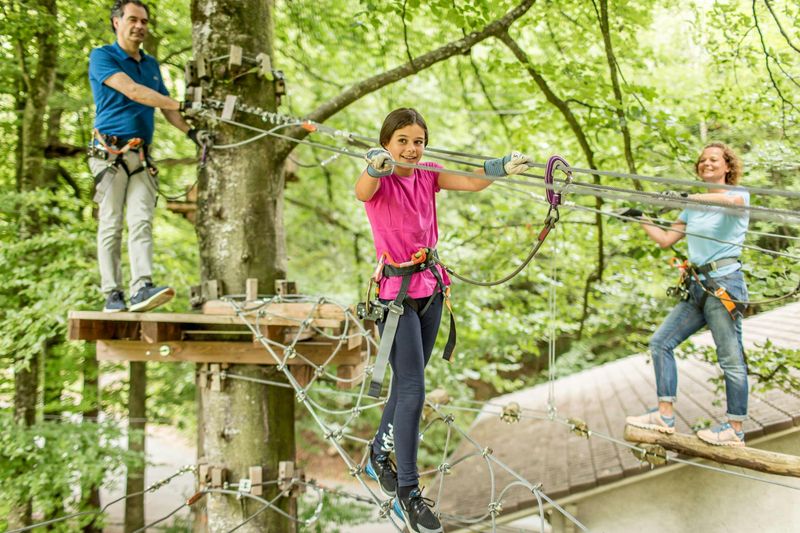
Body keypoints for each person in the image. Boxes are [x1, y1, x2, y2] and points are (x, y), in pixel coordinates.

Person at [355, 108, 531, 533]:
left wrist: (499, 168)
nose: (412, 149)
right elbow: (363, 191)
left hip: (431, 289)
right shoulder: (379, 176)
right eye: (403, 141)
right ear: (387, 143)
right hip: (395, 297)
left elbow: (470, 180)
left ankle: (378, 457)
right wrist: (375, 166)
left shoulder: (428, 172)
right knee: (413, 388)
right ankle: (409, 492)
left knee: (406, 382)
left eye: (418, 141)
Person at [625, 142, 750, 447]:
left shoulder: (739, 195)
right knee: (660, 343)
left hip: (724, 284)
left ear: (728, 166)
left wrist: (689, 196)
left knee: (730, 358)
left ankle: (735, 428)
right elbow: (667, 239)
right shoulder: (692, 206)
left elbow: (731, 204)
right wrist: (640, 217)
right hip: (697, 286)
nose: (706, 163)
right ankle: (664, 416)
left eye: (714, 159)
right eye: (702, 160)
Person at [88, 0, 207, 312]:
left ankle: (141, 286)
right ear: (117, 22)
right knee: (111, 223)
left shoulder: (151, 65)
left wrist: (191, 132)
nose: (139, 26)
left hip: (141, 157)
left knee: (141, 221)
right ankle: (112, 294)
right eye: (132, 19)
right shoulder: (103, 56)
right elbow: (135, 92)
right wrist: (180, 105)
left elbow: (164, 106)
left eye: (144, 21)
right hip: (110, 154)